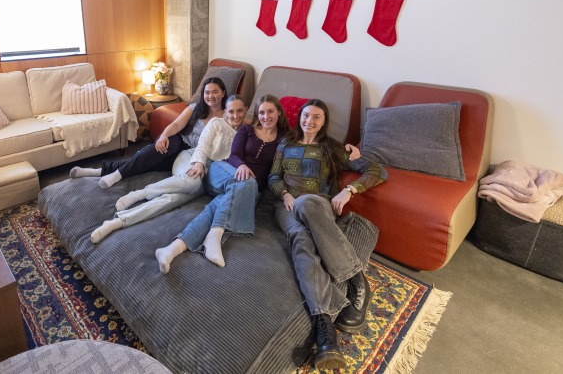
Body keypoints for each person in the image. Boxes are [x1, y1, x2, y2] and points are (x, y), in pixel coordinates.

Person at [267, 99, 387, 370]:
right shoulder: (285, 144)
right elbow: (273, 177)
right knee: (300, 240)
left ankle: (356, 279)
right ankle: (325, 333)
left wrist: (348, 191)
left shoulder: (332, 147)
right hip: (286, 206)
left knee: (308, 201)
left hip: (318, 205)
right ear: (300, 117)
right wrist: (284, 193)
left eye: (317, 117)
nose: (310, 120)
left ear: (324, 122)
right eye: (306, 115)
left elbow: (376, 170)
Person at [153, 94, 290, 273]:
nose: (266, 117)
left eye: (270, 111)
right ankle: (215, 235)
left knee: (220, 204)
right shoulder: (247, 130)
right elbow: (233, 155)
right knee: (246, 183)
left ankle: (171, 249)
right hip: (223, 170)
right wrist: (241, 165)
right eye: (262, 112)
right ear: (257, 114)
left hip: (250, 188)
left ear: (279, 112)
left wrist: (285, 193)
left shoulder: (284, 140)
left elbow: (280, 170)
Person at [90, 95, 248, 243]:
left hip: (208, 176)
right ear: (225, 111)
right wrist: (199, 162)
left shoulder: (246, 133)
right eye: (231, 111)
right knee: (190, 184)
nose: (235, 115)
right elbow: (202, 146)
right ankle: (141, 193)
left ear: (246, 109)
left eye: (240, 110)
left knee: (171, 200)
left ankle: (118, 221)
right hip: (191, 159)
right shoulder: (217, 123)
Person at [70, 77, 227, 189]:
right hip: (177, 141)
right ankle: (117, 175)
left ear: (223, 93)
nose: (210, 96)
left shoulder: (227, 117)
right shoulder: (195, 108)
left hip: (191, 154)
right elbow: (177, 124)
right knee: (158, 150)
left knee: (148, 161)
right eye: (207, 92)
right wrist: (164, 136)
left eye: (215, 92)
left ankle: (96, 171)